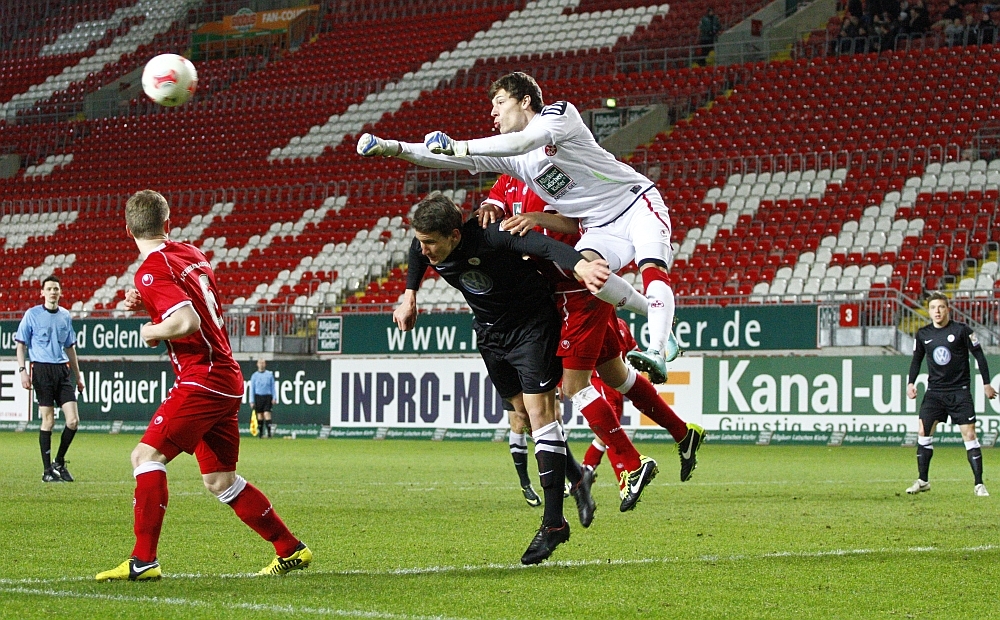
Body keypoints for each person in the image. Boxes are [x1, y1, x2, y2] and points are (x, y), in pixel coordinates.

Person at [358, 71, 681, 386]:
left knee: (651, 266)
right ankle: (659, 317)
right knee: (589, 274)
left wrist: (461, 145)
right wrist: (392, 147)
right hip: (597, 225)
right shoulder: (514, 160)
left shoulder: (559, 115)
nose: (493, 112)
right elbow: (446, 159)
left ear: (525, 100)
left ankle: (656, 349)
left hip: (635, 203)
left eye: (500, 102)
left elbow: (523, 141)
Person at [96, 189, 311, 581]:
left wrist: (150, 329)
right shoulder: (192, 253)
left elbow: (186, 321)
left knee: (145, 457)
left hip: (202, 378)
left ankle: (143, 561)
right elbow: (195, 302)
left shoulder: (150, 270)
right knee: (220, 481)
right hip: (226, 377)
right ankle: (290, 548)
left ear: (127, 230)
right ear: (168, 222)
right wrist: (151, 304)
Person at [393, 192, 611, 565]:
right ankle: (578, 478)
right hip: (490, 331)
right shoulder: (427, 245)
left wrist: (581, 266)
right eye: (421, 241)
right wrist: (409, 295)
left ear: (455, 236)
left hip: (531, 327)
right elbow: (416, 253)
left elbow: (544, 245)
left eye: (431, 243)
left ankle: (554, 524)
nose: (424, 250)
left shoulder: (492, 235)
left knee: (541, 415)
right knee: (520, 415)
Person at [482, 174, 704, 493]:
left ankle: (632, 464)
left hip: (577, 288)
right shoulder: (508, 177)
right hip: (567, 288)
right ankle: (683, 432)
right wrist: (489, 208)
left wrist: (536, 219)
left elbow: (578, 222)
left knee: (574, 386)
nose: (495, 121)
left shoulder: (551, 170)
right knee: (615, 374)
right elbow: (493, 205)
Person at [905, 292, 996, 497]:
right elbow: (916, 359)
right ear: (929, 311)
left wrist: (986, 384)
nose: (937, 311)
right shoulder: (923, 334)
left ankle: (979, 484)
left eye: (941, 307)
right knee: (923, 432)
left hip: (959, 391)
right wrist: (910, 383)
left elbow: (979, 355)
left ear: (948, 309)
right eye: (933, 308)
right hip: (934, 392)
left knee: (970, 435)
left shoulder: (962, 330)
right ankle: (923, 480)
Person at [15, 276, 84, 483]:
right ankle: (47, 471)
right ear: (42, 293)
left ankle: (59, 462)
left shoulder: (65, 316)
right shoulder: (32, 314)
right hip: (42, 370)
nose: (53, 292)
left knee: (73, 421)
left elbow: (70, 347)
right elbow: (21, 344)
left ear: (60, 292)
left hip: (62, 370)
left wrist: (78, 376)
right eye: (49, 289)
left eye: (56, 289)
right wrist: (23, 371)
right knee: (49, 421)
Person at [249, 358, 276, 439]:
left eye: (263, 363)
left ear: (265, 364)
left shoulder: (269, 375)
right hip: (258, 396)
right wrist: (251, 401)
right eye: (260, 363)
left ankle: (269, 433)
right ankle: (260, 434)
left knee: (267, 414)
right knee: (260, 415)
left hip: (267, 396)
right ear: (257, 364)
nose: (261, 364)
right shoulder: (254, 376)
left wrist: (274, 397)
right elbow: (252, 389)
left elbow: (273, 387)